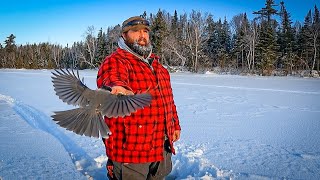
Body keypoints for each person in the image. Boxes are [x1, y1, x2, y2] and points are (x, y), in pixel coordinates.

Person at [96, 16, 181, 179]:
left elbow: (168, 100)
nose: (142, 35)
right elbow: (111, 77)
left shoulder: (159, 67)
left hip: (161, 146)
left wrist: (174, 125)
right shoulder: (116, 61)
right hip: (130, 152)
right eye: (135, 31)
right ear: (124, 36)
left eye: (145, 31)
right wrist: (116, 87)